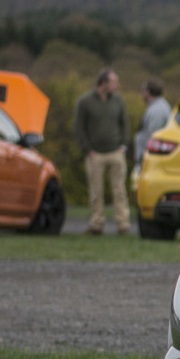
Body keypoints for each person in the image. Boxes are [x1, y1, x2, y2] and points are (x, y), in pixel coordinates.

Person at [74, 67, 130, 235]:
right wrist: (87, 149)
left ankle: (123, 224)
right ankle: (96, 224)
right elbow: (79, 128)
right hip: (95, 155)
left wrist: (123, 145)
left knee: (119, 191)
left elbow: (125, 123)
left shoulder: (119, 101)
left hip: (116, 153)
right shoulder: (85, 102)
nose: (117, 85)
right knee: (96, 192)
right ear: (104, 83)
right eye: (114, 82)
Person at [134, 77, 171, 169]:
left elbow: (154, 136)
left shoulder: (157, 110)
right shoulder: (157, 106)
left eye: (143, 91)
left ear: (147, 92)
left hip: (150, 161)